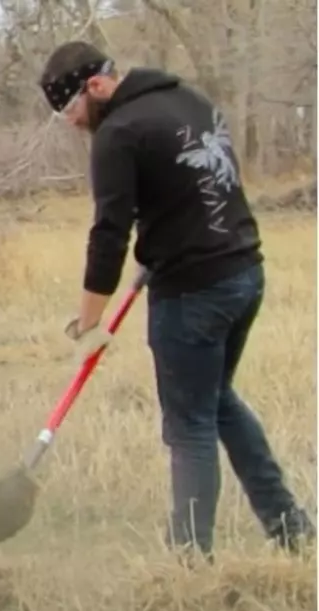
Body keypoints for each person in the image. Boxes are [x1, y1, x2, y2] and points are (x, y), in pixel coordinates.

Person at [39, 41, 315, 558]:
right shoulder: (189, 99)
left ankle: (189, 559)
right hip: (245, 272)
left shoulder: (118, 133)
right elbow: (200, 186)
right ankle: (290, 526)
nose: (75, 124)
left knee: (189, 425)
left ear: (94, 87)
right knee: (217, 403)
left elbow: (108, 234)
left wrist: (89, 322)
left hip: (194, 293)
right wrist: (164, 239)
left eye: (72, 111)